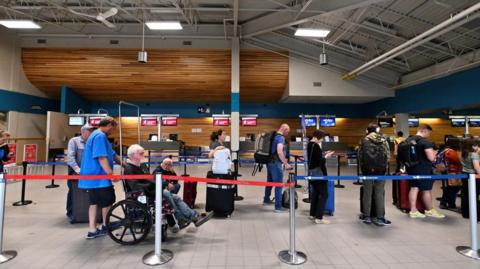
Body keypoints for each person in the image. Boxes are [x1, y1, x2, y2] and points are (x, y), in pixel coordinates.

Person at [123, 145, 213, 231]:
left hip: (150, 190)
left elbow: (149, 179)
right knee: (166, 192)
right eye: (141, 153)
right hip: (143, 194)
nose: (143, 155)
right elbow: (135, 186)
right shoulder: (129, 168)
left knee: (176, 197)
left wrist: (160, 183)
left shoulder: (138, 166)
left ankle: (194, 217)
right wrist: (156, 185)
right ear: (133, 155)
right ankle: (179, 217)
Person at [78, 117, 122, 239]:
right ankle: (103, 226)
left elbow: (112, 154)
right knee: (107, 202)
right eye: (112, 128)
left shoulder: (98, 136)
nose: (112, 131)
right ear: (108, 125)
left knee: (94, 203)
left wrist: (125, 163)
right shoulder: (100, 136)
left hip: (93, 177)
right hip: (99, 177)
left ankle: (95, 228)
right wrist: (111, 174)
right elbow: (101, 157)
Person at [406, 124, 445, 219]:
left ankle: (413, 211)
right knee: (426, 190)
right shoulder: (425, 142)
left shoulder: (408, 140)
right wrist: (435, 154)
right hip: (424, 169)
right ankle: (429, 210)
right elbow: (431, 158)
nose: (429, 135)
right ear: (424, 130)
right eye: (429, 133)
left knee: (414, 188)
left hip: (411, 168)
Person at [358, 123, 392, 226]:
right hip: (381, 169)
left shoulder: (364, 140)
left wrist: (363, 167)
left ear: (367, 130)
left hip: (367, 170)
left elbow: (360, 156)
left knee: (367, 192)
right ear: (377, 130)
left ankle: (367, 216)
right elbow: (388, 155)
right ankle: (380, 217)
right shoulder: (383, 139)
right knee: (379, 192)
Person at [65, 124, 94, 222]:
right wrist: (78, 171)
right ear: (84, 132)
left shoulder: (92, 141)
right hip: (75, 171)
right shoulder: (74, 141)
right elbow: (70, 158)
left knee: (86, 193)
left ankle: (83, 212)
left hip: (88, 172)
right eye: (90, 131)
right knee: (73, 192)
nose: (91, 133)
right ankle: (70, 212)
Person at [263, 124, 292, 213]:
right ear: (284, 129)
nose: (287, 134)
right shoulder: (280, 138)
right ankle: (278, 207)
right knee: (279, 185)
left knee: (270, 182)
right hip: (276, 163)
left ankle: (266, 200)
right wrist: (286, 163)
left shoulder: (273, 136)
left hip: (269, 162)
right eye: (287, 131)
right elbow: (279, 151)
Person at [307, 130, 334, 224]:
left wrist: (322, 154)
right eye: (322, 138)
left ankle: (312, 214)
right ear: (318, 136)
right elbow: (320, 161)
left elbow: (314, 158)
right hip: (319, 174)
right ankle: (319, 218)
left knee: (315, 193)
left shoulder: (310, 144)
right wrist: (326, 156)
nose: (322, 140)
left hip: (312, 173)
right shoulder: (316, 146)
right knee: (324, 194)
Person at [460, 139, 480, 220]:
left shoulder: (463, 153)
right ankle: (477, 214)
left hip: (464, 174)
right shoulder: (474, 154)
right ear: (471, 146)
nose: (477, 147)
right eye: (476, 145)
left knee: (465, 194)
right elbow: (477, 168)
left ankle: (466, 213)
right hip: (474, 176)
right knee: (476, 195)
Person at [439, 140, 462, 209]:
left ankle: (444, 203)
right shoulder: (451, 152)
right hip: (453, 171)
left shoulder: (447, 150)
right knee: (454, 188)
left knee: (450, 188)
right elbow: (459, 161)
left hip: (450, 171)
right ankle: (451, 204)